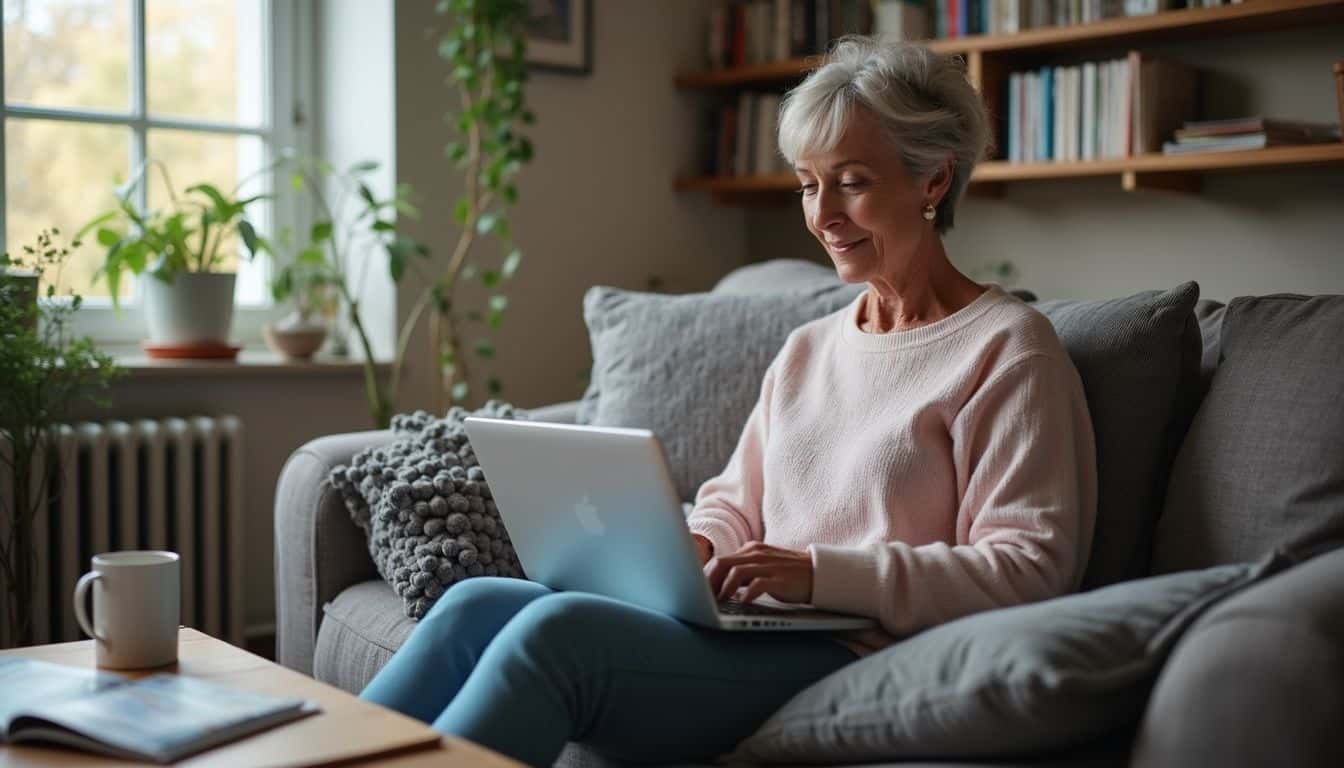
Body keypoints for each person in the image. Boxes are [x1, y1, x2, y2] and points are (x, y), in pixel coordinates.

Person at [360, 38, 1097, 767]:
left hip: (856, 654)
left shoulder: (1008, 349)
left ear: (933, 181)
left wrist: (817, 572)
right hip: (754, 630)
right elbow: (732, 502)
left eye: (852, 181)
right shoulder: (810, 348)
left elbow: (1028, 569)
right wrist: (700, 546)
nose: (823, 214)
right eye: (809, 184)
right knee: (473, 605)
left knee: (555, 636)